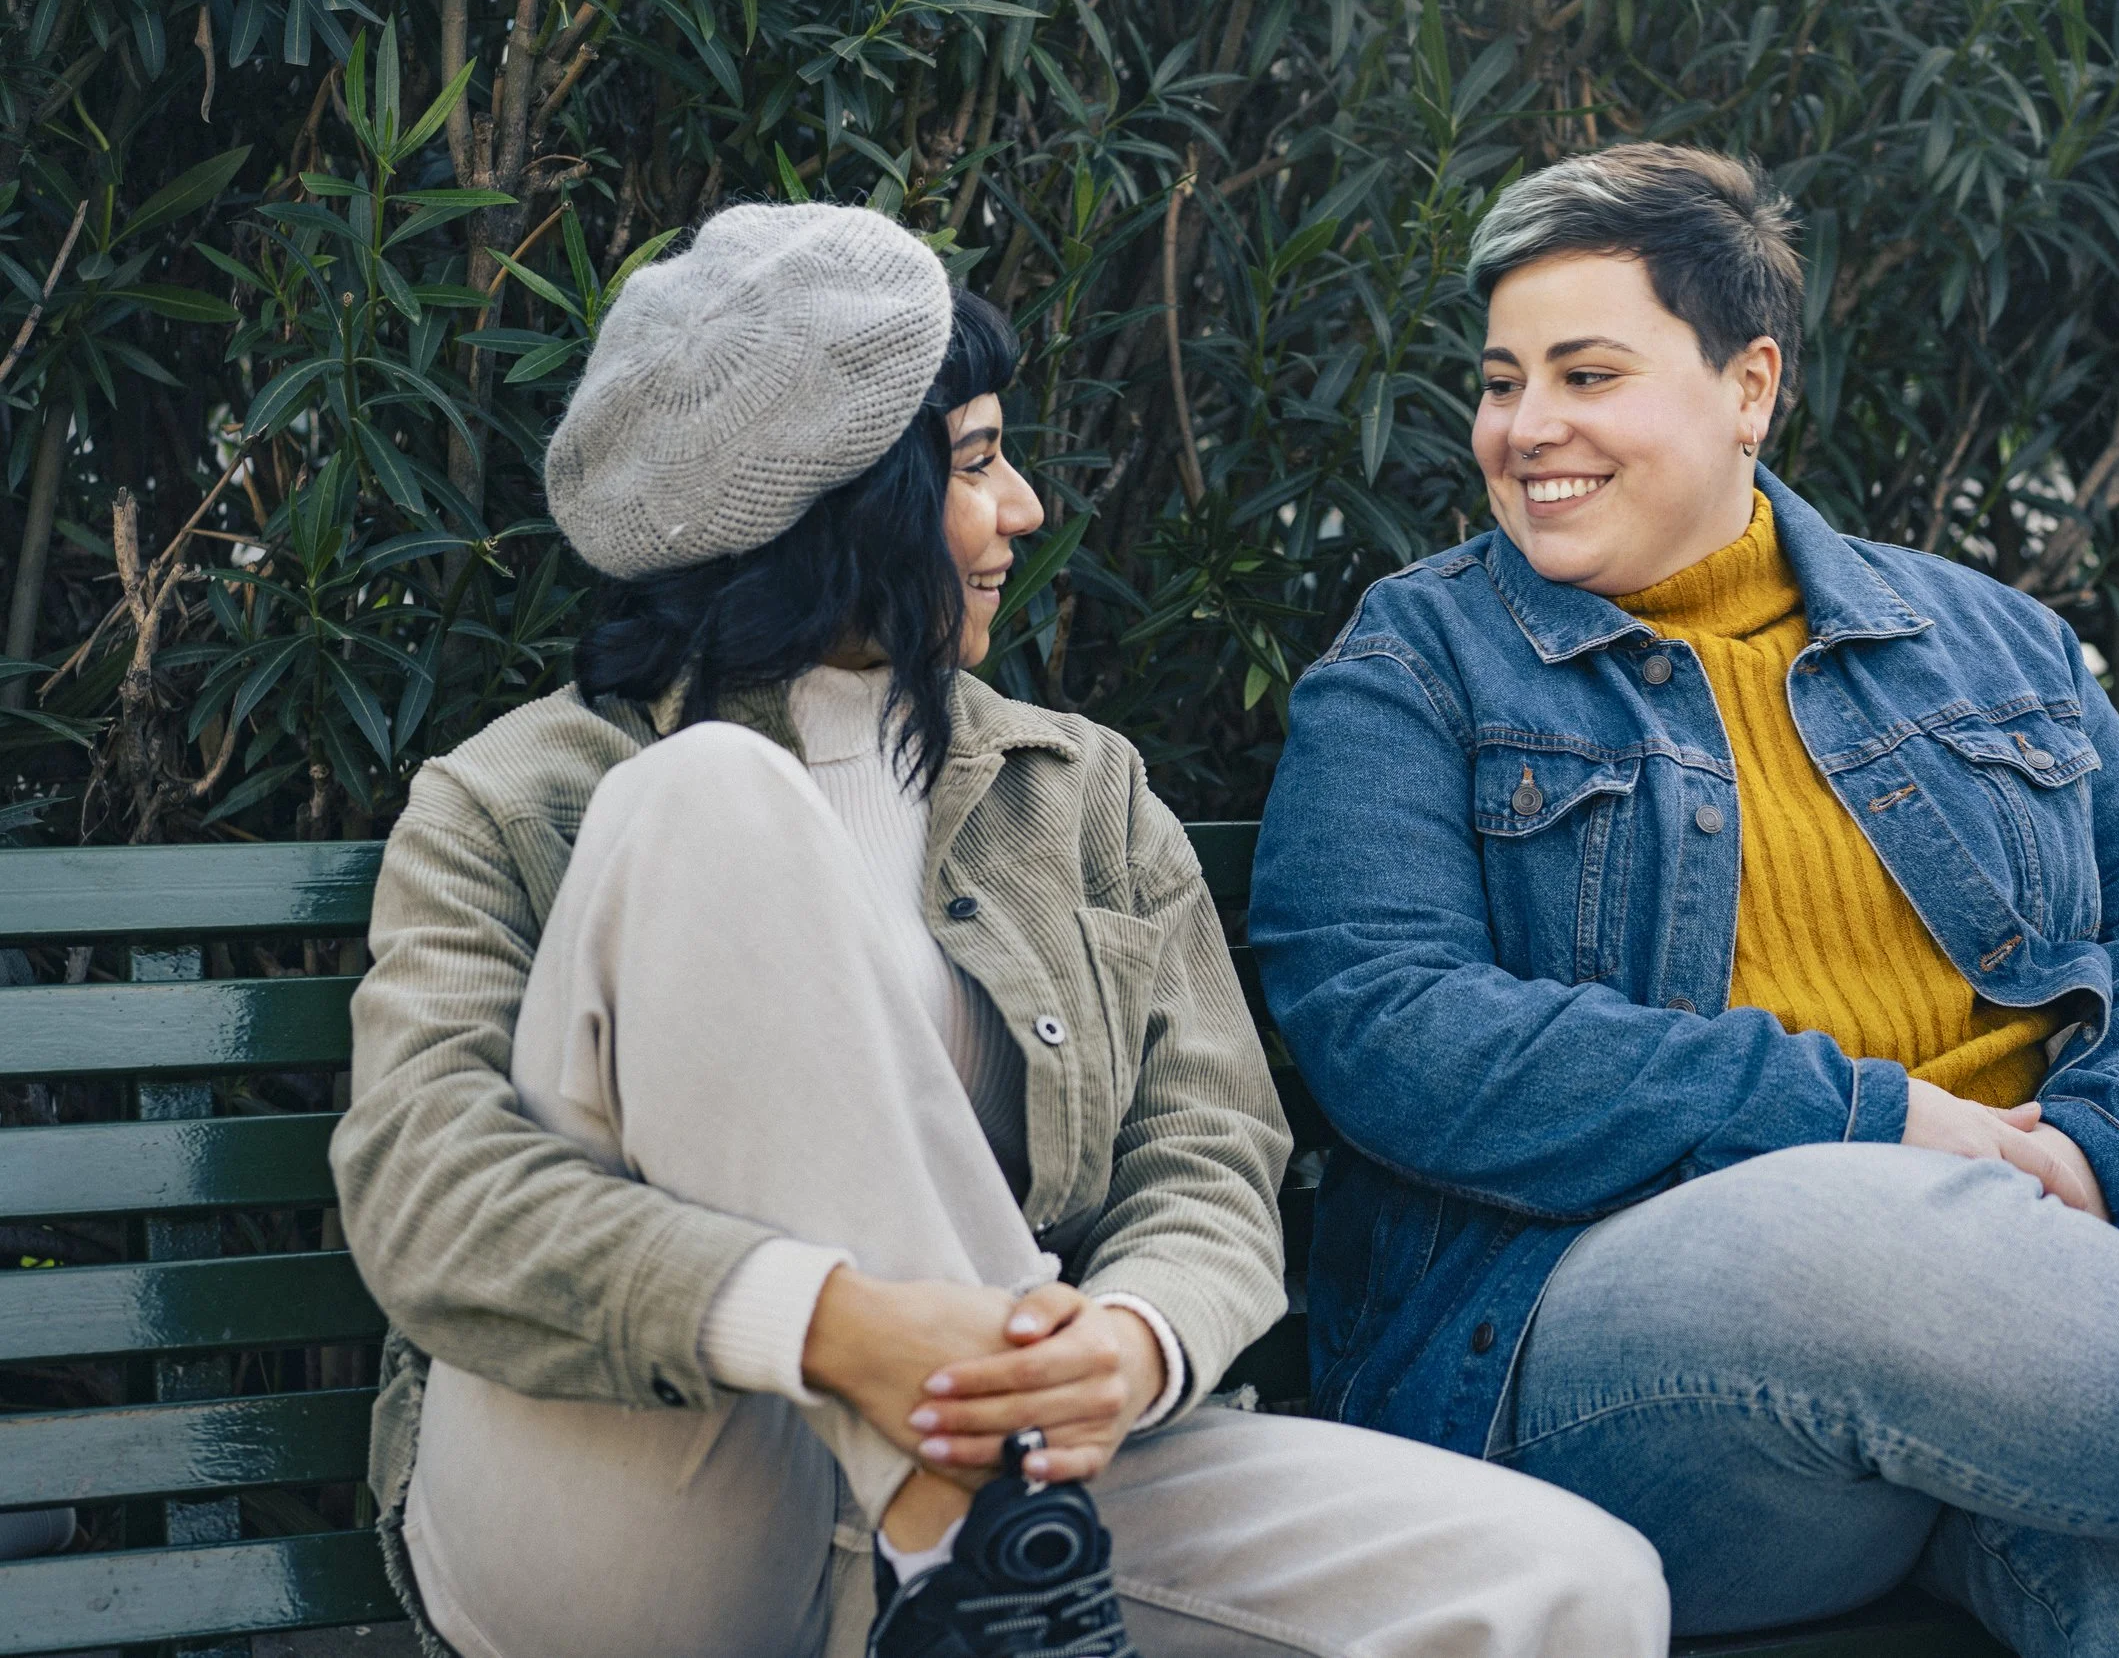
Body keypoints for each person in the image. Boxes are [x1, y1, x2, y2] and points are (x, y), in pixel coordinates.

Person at [335, 203, 1668, 1658]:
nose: (1024, 505)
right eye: (973, 462)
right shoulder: (518, 798)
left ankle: (994, 1573)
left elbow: (1210, 1147)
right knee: (708, 795)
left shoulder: (1079, 790)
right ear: (844, 504)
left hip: (1056, 1481)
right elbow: (425, 1191)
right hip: (648, 1484)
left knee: (1578, 1584)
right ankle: (979, 1548)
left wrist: (1133, 1339)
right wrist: (832, 1324)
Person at [1247, 142, 2119, 1657]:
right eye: (1503, 380)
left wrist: (2098, 1160)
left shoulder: (1990, 640)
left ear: (1749, 385)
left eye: (1586, 375)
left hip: (2050, 1329)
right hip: (1619, 1382)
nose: (1525, 429)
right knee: (1862, 1222)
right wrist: (1882, 1123)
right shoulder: (1417, 665)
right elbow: (1393, 1028)